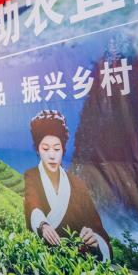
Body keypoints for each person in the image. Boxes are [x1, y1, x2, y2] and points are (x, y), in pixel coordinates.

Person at [24, 110, 110, 261]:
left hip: (75, 263)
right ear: (38, 150)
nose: (52, 155)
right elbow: (33, 203)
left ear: (63, 150)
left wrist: (95, 239)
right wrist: (43, 225)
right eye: (45, 149)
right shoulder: (32, 175)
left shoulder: (77, 185)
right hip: (43, 260)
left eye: (57, 149)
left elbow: (96, 226)